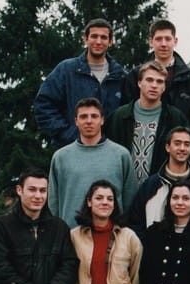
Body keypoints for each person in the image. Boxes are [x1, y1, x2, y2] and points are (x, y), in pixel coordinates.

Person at [121, 19, 190, 172]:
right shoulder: (135, 76)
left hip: (180, 152)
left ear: (175, 41)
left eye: (168, 39)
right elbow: (126, 116)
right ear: (151, 41)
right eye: (158, 39)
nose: (163, 44)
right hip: (143, 149)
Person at [48, 97, 138, 229]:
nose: (89, 121)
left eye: (94, 116)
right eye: (83, 117)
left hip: (111, 235)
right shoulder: (61, 157)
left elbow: (130, 200)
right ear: (76, 121)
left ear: (102, 120)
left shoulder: (121, 155)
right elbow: (53, 203)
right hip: (70, 234)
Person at [35, 18, 126, 145]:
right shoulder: (66, 70)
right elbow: (43, 105)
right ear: (85, 39)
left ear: (110, 42)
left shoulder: (121, 76)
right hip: (73, 149)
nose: (98, 41)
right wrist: (68, 135)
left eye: (103, 37)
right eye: (94, 36)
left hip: (110, 150)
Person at [105, 60, 190, 184]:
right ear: (139, 83)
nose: (154, 85)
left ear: (164, 87)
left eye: (159, 81)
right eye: (149, 80)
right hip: (122, 187)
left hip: (160, 188)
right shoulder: (119, 117)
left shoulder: (175, 118)